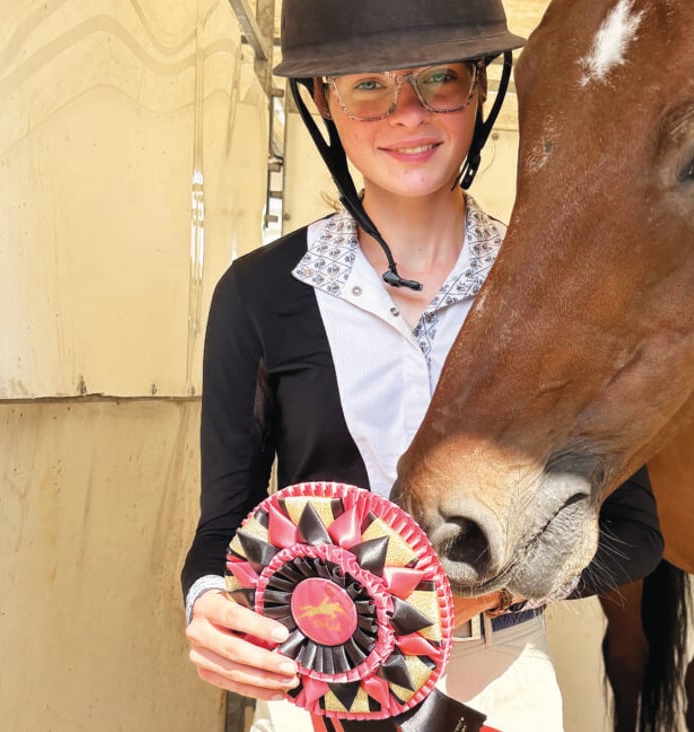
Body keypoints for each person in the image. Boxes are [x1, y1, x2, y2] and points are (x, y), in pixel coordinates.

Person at [179, 2, 665, 730]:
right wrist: (209, 602)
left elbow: (635, 530)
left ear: (478, 89)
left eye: (438, 80)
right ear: (323, 102)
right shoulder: (259, 296)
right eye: (367, 86)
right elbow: (224, 522)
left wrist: (488, 592)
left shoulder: (552, 297)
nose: (406, 114)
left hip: (496, 679)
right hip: (313, 683)